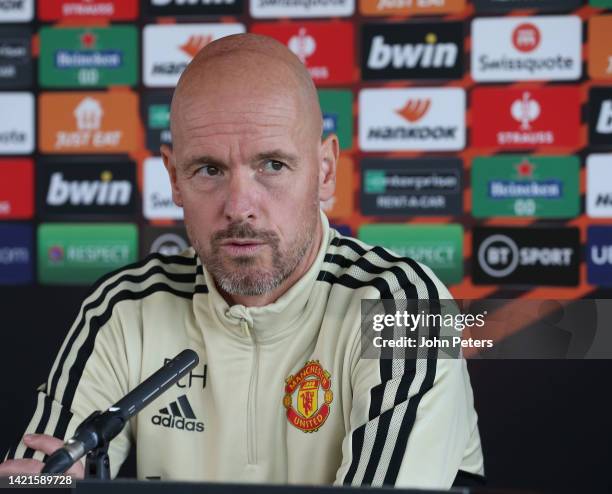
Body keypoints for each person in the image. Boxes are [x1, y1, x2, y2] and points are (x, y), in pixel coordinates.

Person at [0, 33, 484, 488]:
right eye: (209, 169)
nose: (239, 205)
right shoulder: (124, 308)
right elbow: (39, 480)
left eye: (272, 164)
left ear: (326, 172)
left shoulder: (405, 308)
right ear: (173, 179)